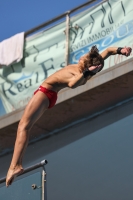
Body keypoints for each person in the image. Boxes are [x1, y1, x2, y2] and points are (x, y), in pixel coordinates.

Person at [6, 45, 132, 186]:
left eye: (84, 58)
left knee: (23, 127)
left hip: (45, 93)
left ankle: (15, 166)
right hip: (50, 94)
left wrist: (85, 74)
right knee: (25, 127)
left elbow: (72, 84)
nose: (81, 57)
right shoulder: (90, 63)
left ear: (86, 66)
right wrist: (121, 50)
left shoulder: (78, 74)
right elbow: (109, 51)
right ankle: (17, 164)